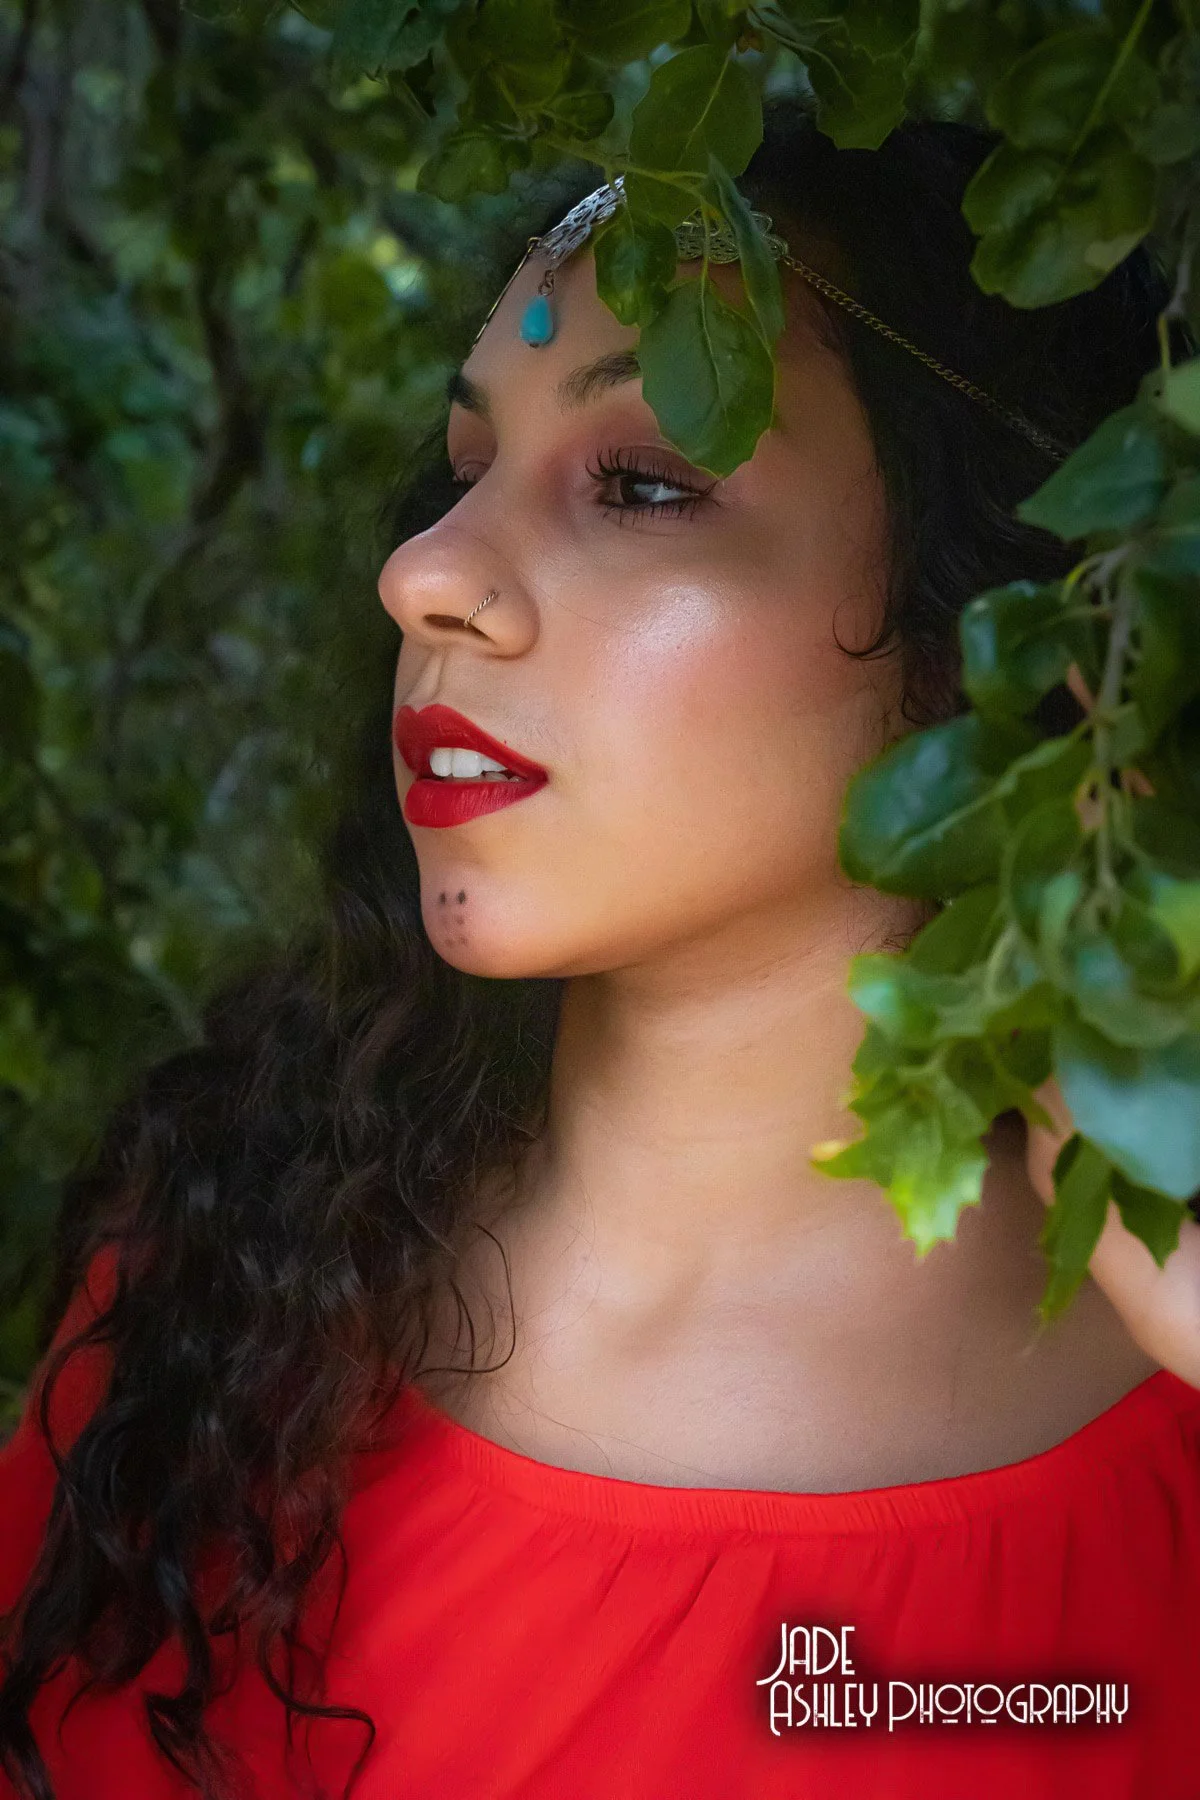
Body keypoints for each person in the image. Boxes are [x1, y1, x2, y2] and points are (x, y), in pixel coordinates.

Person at [1, 93, 1198, 1800]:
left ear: (991, 629)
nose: (425, 575)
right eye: (465, 472)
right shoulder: (220, 1283)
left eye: (640, 484)